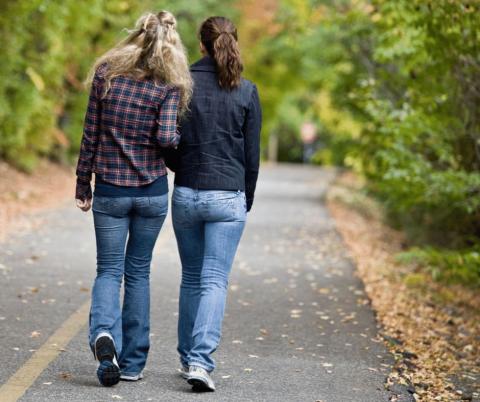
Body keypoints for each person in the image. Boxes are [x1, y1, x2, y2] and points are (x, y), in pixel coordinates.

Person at [74, 11, 192, 387]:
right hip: (151, 193)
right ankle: (133, 362)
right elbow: (166, 140)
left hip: (110, 189)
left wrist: (83, 183)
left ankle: (103, 335)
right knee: (138, 272)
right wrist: (174, 137)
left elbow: (90, 132)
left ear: (136, 35)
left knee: (108, 270)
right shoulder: (170, 85)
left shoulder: (107, 74)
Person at [167, 16, 262, 392]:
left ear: (201, 45)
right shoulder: (246, 90)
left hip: (188, 192)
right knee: (214, 281)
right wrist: (245, 197)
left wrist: (181, 167)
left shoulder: (181, 85)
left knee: (192, 278)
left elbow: (167, 140)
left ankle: (186, 355)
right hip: (227, 195)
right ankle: (200, 363)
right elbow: (251, 156)